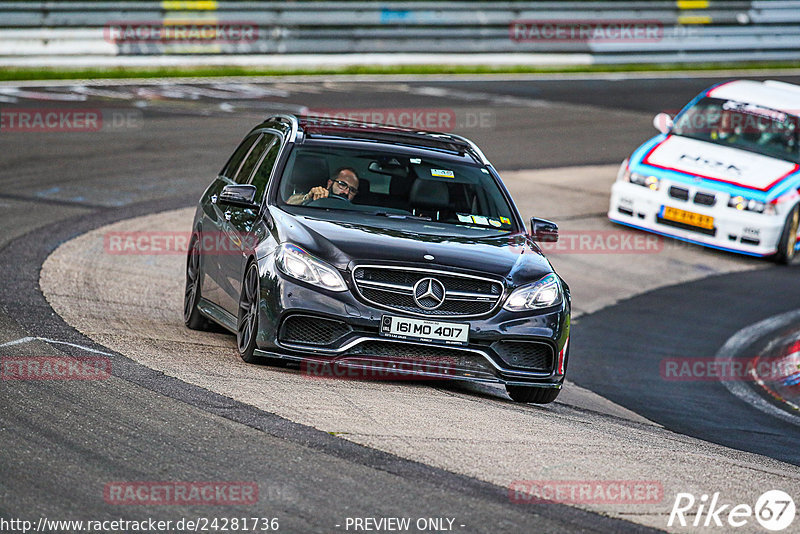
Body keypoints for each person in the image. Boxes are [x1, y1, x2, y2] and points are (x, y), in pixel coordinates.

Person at [286, 167, 359, 205]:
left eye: (352, 190)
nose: (346, 192)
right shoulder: (318, 196)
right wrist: (308, 197)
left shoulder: (357, 213)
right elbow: (289, 203)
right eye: (342, 185)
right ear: (330, 183)